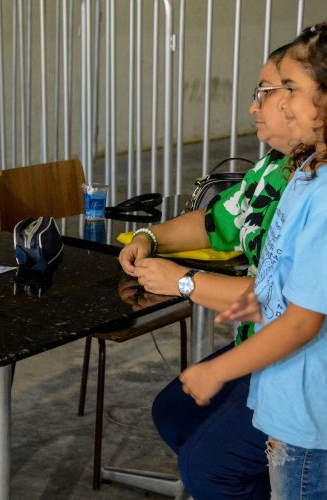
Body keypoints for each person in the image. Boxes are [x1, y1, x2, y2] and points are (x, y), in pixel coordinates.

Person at [118, 44, 294, 499]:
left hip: (294, 357)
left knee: (208, 467)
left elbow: (283, 300)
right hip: (262, 341)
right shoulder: (274, 168)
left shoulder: (313, 186)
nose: (254, 106)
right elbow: (216, 222)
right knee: (176, 412)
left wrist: (183, 281)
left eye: (267, 91)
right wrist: (149, 237)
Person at [180, 22, 327, 499]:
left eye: (291, 89)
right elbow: (282, 275)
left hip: (310, 419)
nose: (280, 104)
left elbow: (303, 322)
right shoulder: (305, 171)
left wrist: (216, 370)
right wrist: (259, 299)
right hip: (284, 402)